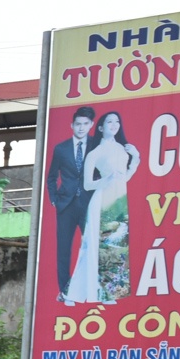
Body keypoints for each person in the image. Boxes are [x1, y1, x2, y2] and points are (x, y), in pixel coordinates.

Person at [67, 109, 139, 305]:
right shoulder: (96, 153)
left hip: (119, 199)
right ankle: (90, 293)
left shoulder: (123, 150)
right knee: (98, 247)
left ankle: (110, 291)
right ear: (100, 127)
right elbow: (88, 184)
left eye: (117, 121)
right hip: (102, 201)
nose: (114, 125)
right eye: (109, 122)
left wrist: (136, 158)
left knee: (117, 247)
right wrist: (106, 179)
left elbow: (125, 177)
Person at [47, 106, 98, 304]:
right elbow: (51, 177)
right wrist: (54, 199)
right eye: (78, 124)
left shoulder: (96, 145)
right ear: (72, 125)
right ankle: (65, 292)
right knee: (64, 251)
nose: (81, 128)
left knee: (92, 247)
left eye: (86, 124)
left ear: (92, 125)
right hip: (66, 205)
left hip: (88, 204)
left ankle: (92, 289)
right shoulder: (61, 148)